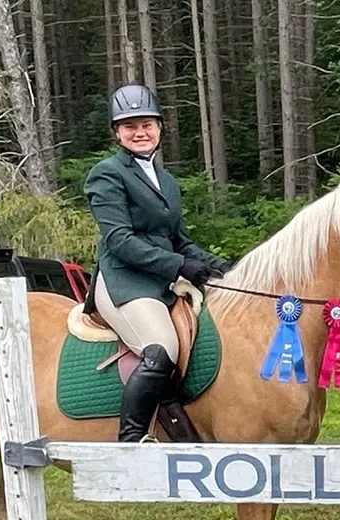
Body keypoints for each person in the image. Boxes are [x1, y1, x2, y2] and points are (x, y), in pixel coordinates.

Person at [82, 84, 232, 442]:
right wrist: (179, 266)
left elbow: (180, 241)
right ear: (117, 133)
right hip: (124, 281)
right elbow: (120, 241)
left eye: (147, 124)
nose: (140, 132)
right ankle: (132, 439)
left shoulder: (166, 181)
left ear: (160, 128)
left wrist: (223, 265)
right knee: (162, 346)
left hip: (161, 280)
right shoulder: (107, 174)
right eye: (130, 126)